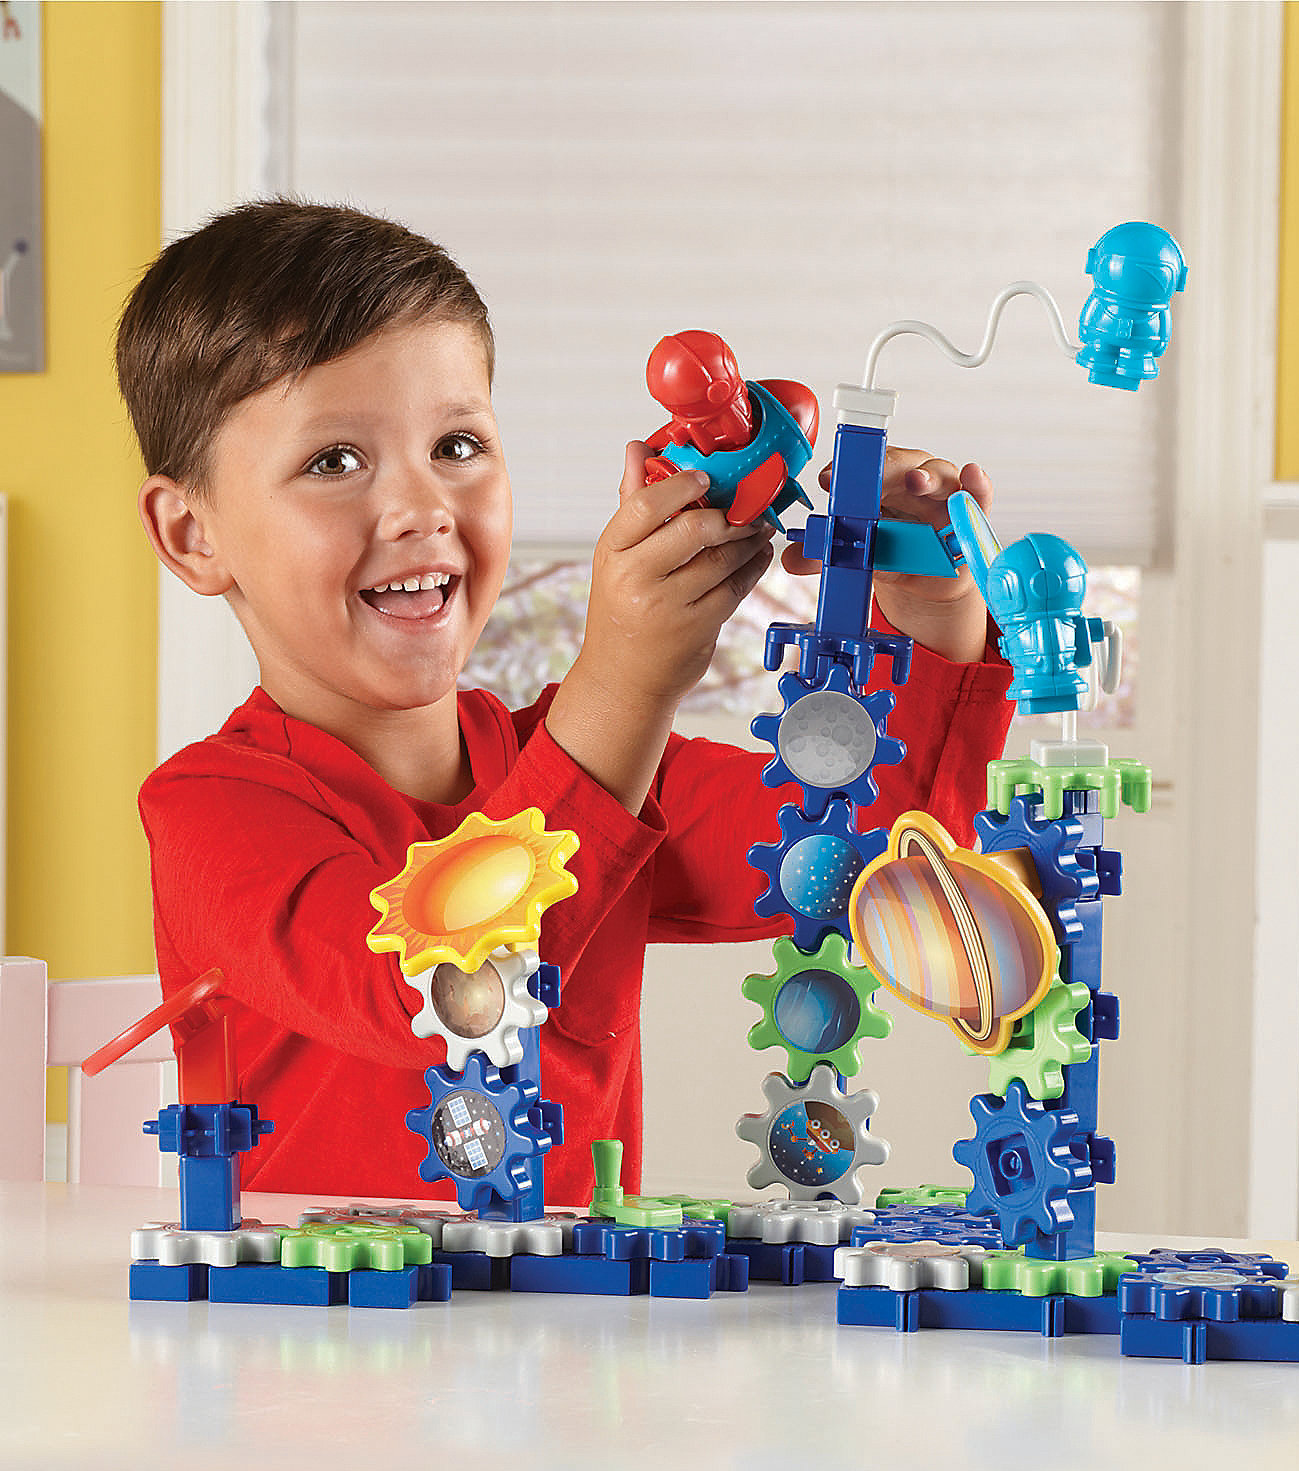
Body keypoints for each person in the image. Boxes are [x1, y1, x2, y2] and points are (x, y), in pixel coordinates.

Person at [117, 199, 1014, 1205]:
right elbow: (432, 990)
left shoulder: (600, 759)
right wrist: (621, 683)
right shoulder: (209, 814)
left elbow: (862, 848)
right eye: (334, 462)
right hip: (318, 1313)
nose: (422, 508)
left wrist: (931, 616)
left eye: (458, 445)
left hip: (567, 1308)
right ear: (194, 536)